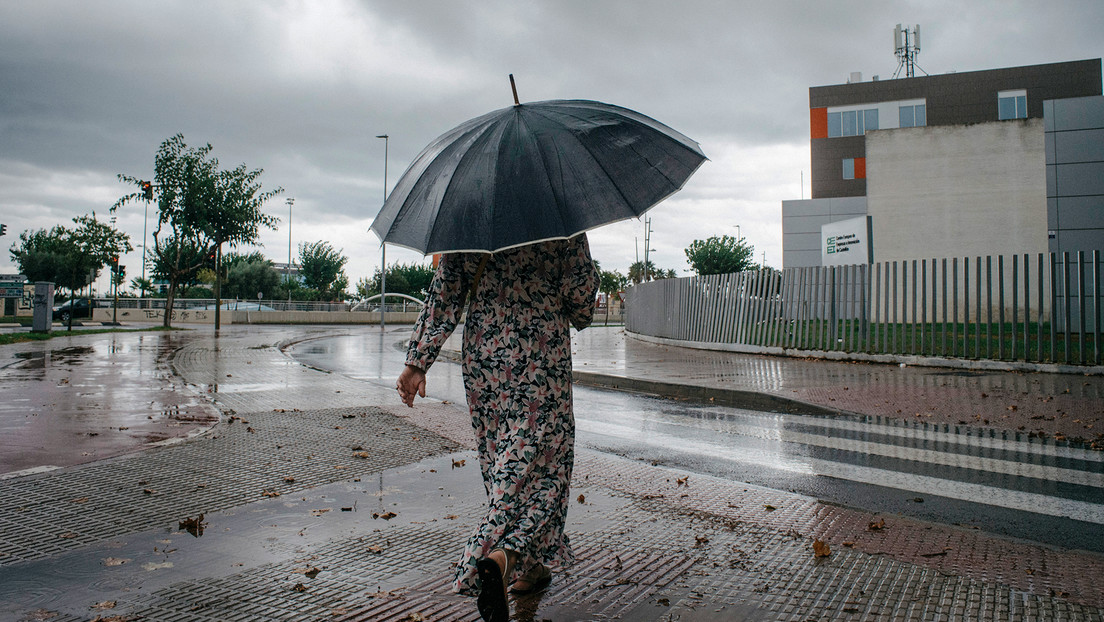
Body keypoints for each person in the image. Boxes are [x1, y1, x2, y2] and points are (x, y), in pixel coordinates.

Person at [396, 234, 599, 622]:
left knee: (502, 463)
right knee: (545, 472)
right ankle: (495, 555)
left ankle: (527, 568)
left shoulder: (471, 216)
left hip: (485, 356)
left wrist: (418, 361)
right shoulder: (557, 212)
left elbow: (446, 292)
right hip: (541, 353)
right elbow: (581, 303)